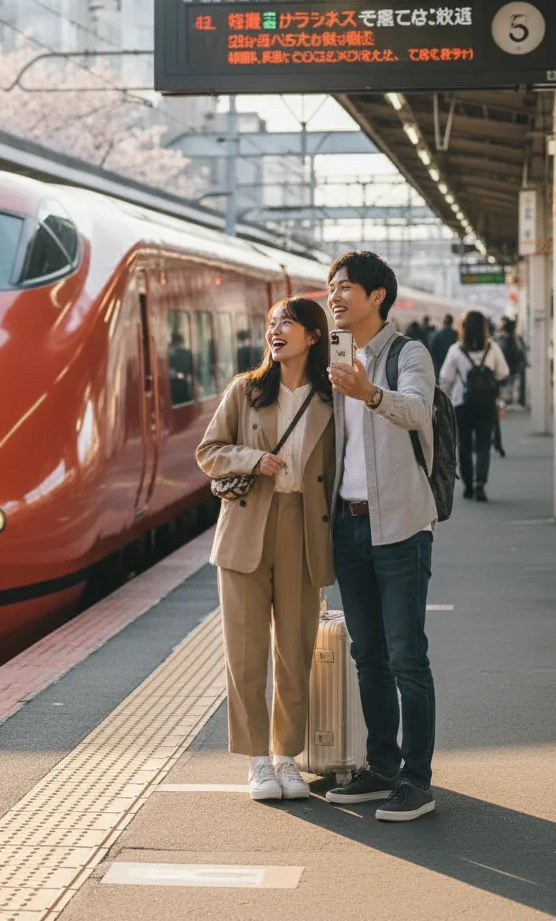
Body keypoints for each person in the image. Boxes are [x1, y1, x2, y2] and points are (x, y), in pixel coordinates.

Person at [196, 298, 335, 802]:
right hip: (245, 529)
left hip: (304, 528)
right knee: (247, 653)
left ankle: (287, 758)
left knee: (296, 653)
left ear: (313, 336)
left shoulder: (330, 398)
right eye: (272, 322)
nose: (275, 330)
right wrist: (252, 459)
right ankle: (257, 761)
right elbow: (207, 453)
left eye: (288, 323)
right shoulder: (246, 390)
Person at [324, 250, 439, 822]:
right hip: (349, 525)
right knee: (367, 654)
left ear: (377, 297)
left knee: (406, 657)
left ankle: (417, 781)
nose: (335, 295)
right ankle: (381, 767)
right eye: (331, 286)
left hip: (398, 527)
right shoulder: (333, 357)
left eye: (346, 287)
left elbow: (418, 410)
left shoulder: (407, 353)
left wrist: (369, 392)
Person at [440, 311, 510, 502]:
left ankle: (468, 485)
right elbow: (503, 373)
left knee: (464, 446)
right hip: (486, 404)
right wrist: (488, 380)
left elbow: (445, 378)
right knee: (483, 445)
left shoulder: (456, 350)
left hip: (461, 404)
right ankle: (481, 484)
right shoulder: (492, 348)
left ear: (464, 328)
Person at [496, 317, 526, 407]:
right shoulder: (516, 339)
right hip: (514, 366)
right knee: (513, 385)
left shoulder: (499, 339)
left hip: (506, 366)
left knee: (505, 386)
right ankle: (516, 400)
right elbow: (521, 352)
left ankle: (506, 400)